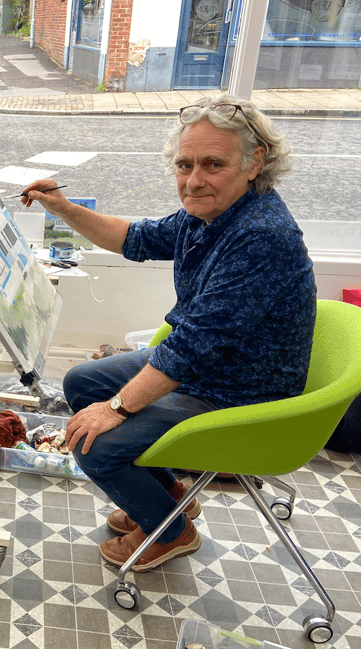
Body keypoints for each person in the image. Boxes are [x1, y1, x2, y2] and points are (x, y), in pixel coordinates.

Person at [20, 95, 316, 572]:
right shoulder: (214, 212)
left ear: (254, 161)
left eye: (212, 163)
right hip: (212, 367)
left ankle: (172, 531)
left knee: (95, 443)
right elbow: (134, 238)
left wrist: (115, 409)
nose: (194, 179)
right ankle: (170, 495)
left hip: (239, 391)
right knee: (81, 384)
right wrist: (65, 208)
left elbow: (190, 352)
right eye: (185, 164)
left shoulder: (260, 235)